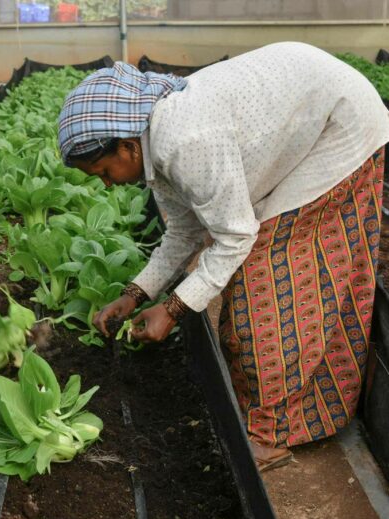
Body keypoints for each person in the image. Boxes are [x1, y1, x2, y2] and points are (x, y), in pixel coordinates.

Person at [58, 42, 389, 471]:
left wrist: (173, 310)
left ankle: (270, 435)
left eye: (104, 172)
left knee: (268, 281)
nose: (106, 185)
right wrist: (134, 294)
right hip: (308, 120)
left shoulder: (183, 141)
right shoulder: (153, 141)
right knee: (253, 275)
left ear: (126, 147)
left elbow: (234, 238)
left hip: (342, 127)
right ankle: (283, 409)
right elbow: (184, 231)